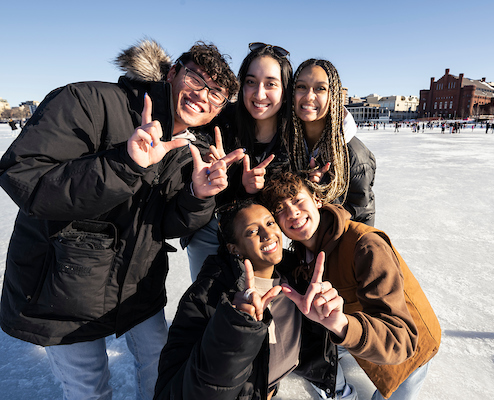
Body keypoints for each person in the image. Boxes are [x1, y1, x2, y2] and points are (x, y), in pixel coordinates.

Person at [0, 39, 244, 400]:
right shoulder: (90, 102)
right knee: (90, 390)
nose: (203, 95)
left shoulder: (189, 145)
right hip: (61, 288)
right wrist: (124, 165)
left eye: (216, 93)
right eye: (196, 79)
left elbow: (165, 226)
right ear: (172, 73)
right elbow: (24, 175)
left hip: (136, 286)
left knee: (159, 369)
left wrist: (197, 196)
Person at [260, 172, 441, 400]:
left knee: (397, 386)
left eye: (297, 200)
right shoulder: (303, 254)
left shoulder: (365, 246)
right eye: (279, 209)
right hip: (358, 333)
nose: (292, 213)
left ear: (317, 200)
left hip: (409, 345)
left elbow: (400, 341)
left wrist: (343, 324)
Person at [154, 199, 346, 399]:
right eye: (252, 231)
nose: (267, 234)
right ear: (233, 248)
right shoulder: (206, 297)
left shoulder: (296, 277)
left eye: (270, 223)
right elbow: (175, 392)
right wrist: (236, 327)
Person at [182, 42, 293, 281]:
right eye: (251, 82)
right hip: (212, 230)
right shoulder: (218, 121)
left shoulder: (294, 137)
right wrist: (226, 180)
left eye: (271, 84)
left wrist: (255, 191)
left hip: (263, 237)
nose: (259, 94)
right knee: (207, 308)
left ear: (285, 90)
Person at [287, 59, 376, 226]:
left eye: (320, 88)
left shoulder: (354, 155)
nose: (309, 96)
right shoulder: (288, 143)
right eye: (301, 87)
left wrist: (324, 194)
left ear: (332, 95)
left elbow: (362, 221)